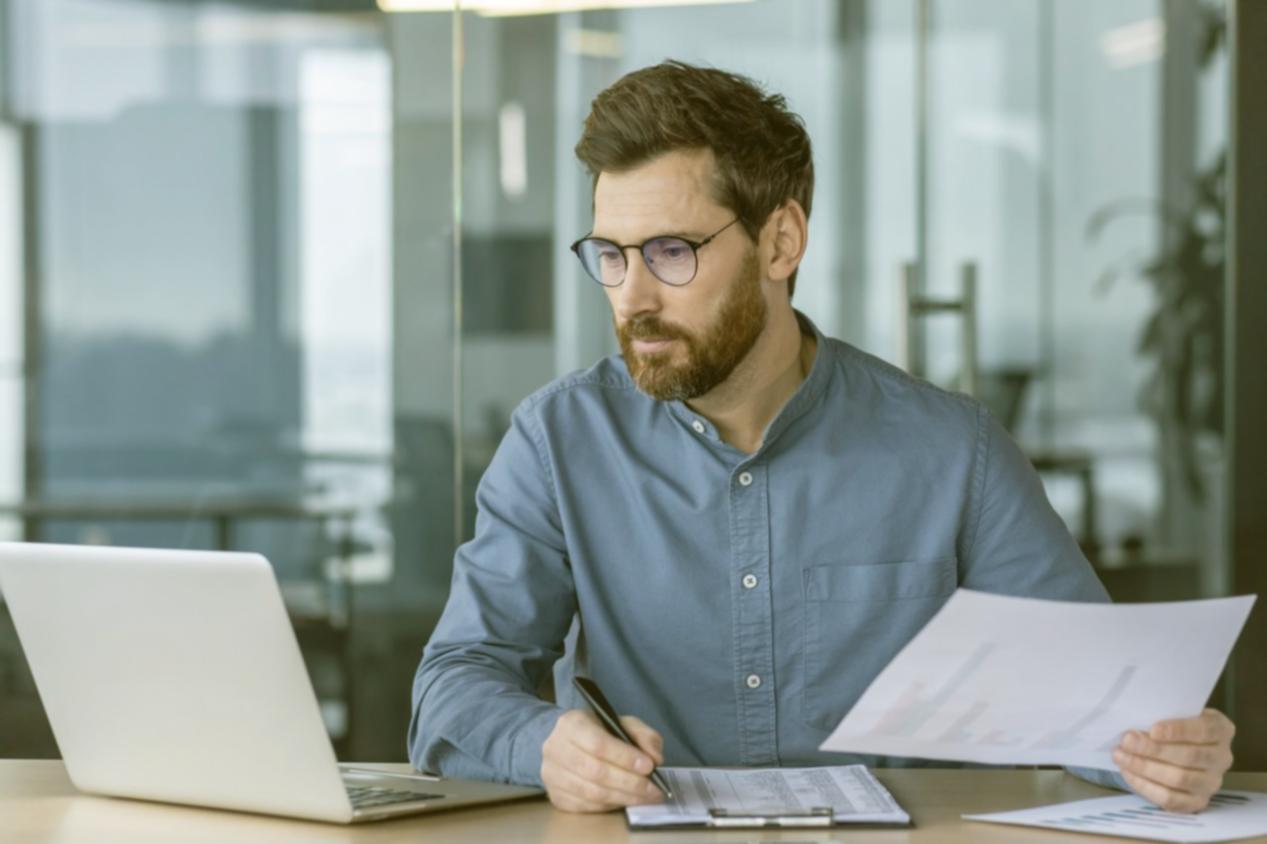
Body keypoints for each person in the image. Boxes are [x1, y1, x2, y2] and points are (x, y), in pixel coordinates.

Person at [408, 60, 1235, 815]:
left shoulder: (951, 451)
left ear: (780, 240)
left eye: (669, 252)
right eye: (611, 256)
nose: (632, 297)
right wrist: (546, 746)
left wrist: (1162, 753)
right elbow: (450, 689)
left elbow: (1097, 709)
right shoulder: (559, 441)